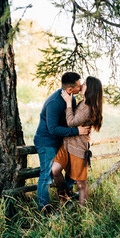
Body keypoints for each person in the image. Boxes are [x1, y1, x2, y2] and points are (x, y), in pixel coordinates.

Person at [33, 72, 90, 211]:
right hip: (46, 141)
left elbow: (71, 121)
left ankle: (65, 195)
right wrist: (77, 131)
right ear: (70, 89)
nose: (81, 86)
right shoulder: (54, 102)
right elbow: (52, 129)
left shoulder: (72, 99)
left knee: (70, 168)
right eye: (79, 85)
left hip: (61, 141)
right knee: (47, 175)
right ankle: (44, 208)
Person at [52, 76, 103, 206]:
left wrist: (69, 103)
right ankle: (64, 194)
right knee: (55, 170)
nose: (81, 86)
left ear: (90, 88)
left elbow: (71, 122)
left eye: (84, 84)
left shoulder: (88, 108)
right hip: (67, 144)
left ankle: (83, 211)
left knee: (81, 184)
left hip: (78, 148)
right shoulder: (83, 102)